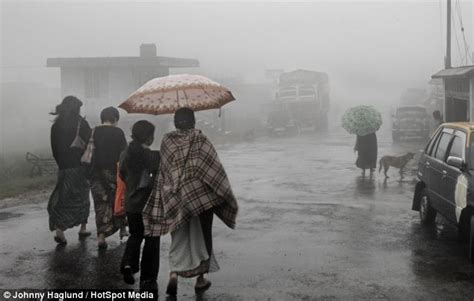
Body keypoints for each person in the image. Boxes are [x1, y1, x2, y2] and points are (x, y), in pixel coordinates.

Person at [142, 107, 239, 296]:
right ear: (194, 121)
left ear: (175, 121)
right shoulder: (200, 139)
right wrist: (224, 194)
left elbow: (164, 171)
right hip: (200, 199)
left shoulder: (167, 141)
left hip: (175, 199)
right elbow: (213, 169)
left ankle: (173, 274)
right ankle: (200, 280)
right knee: (203, 238)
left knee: (179, 237)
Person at [119, 120, 161, 294]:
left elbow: (121, 173)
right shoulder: (152, 157)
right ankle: (148, 279)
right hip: (148, 205)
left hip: (131, 204)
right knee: (152, 238)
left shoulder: (125, 154)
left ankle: (128, 263)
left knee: (135, 235)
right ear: (149, 138)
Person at [48, 96, 91, 245]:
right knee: (82, 196)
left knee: (63, 198)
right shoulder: (82, 124)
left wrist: (61, 163)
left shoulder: (56, 126)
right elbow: (90, 145)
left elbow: (54, 149)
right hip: (79, 167)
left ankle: (60, 229)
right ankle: (83, 227)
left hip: (63, 168)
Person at [90, 106, 128, 249]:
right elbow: (124, 155)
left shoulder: (93, 132)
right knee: (117, 201)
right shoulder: (118, 133)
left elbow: (89, 153)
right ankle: (122, 229)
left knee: (100, 205)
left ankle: (101, 236)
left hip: (96, 175)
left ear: (102, 118)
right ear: (115, 119)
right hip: (114, 174)